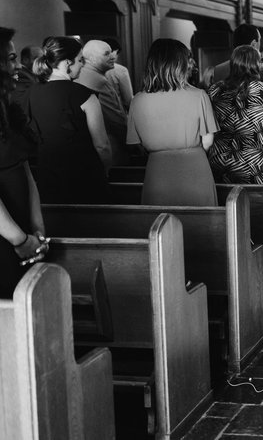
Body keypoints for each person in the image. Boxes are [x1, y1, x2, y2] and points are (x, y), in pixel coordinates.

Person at [127, 39, 218, 205]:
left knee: (160, 224)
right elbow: (207, 141)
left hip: (157, 171)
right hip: (195, 168)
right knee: (201, 225)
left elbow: (136, 144)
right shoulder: (199, 95)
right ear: (180, 64)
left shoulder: (137, 100)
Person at [26, 36, 111, 203]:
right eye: (80, 60)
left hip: (47, 174)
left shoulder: (31, 93)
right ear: (67, 63)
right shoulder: (85, 95)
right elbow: (102, 145)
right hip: (83, 175)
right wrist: (106, 169)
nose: (83, 65)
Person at [0, 32, 47, 298]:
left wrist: (37, 229)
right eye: (10, 59)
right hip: (7, 234)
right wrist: (18, 239)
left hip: (22, 231)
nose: (17, 66)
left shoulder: (8, 108)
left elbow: (25, 169)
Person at [208, 45, 263, 184]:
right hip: (252, 163)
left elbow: (209, 127)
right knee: (258, 204)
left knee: (222, 204)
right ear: (257, 64)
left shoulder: (214, 90)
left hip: (220, 161)